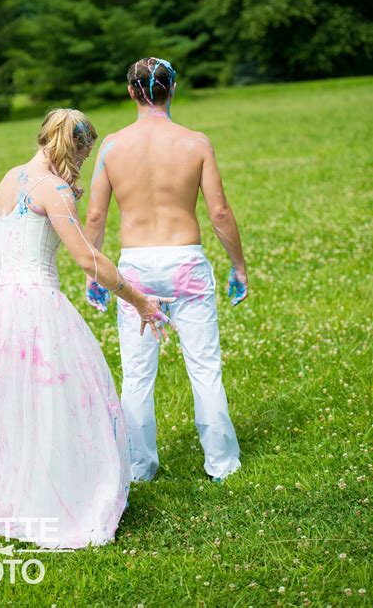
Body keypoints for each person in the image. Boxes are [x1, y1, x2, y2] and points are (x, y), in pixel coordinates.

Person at [0, 108, 175, 550]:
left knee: (15, 398)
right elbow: (88, 259)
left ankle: (21, 491)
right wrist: (140, 300)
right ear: (76, 148)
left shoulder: (8, 177)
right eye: (84, 154)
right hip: (35, 303)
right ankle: (61, 499)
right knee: (65, 397)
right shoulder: (54, 190)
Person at [85, 58, 248, 483]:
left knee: (137, 374)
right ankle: (222, 465)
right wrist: (239, 266)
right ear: (171, 90)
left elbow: (96, 218)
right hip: (186, 264)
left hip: (134, 268)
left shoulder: (112, 147)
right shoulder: (195, 143)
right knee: (204, 367)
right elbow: (219, 210)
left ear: (131, 92)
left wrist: (93, 273)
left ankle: (139, 469)